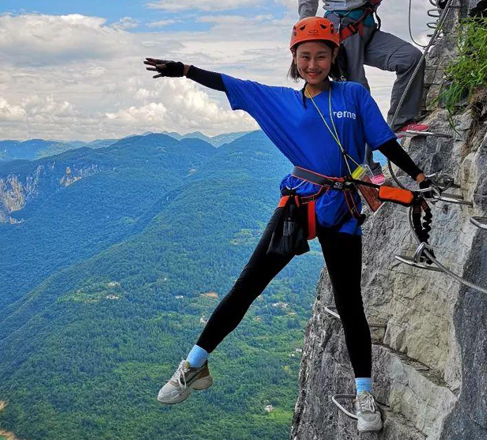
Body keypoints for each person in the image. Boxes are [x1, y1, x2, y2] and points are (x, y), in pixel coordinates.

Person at [145, 16, 436, 433]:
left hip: (343, 208)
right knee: (248, 284)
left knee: (350, 302)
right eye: (305, 57)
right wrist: (186, 71)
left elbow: (384, 141)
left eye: (321, 55)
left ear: (335, 56)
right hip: (300, 206)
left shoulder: (353, 95)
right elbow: (231, 83)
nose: (313, 64)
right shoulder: (282, 101)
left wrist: (420, 177)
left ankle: (364, 394)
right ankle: (194, 364)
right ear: (294, 60)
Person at [299, 0, 431, 184]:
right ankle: (366, 167)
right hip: (342, 27)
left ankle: (401, 121)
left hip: (366, 26)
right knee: (357, 94)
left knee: (410, 58)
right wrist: (306, 27)